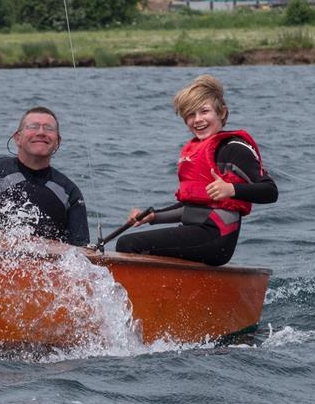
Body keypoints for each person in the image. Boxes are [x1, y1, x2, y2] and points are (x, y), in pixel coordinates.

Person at [116, 74, 278, 266]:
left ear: (222, 113)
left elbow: (270, 191)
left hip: (217, 236)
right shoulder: (194, 151)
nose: (197, 120)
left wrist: (232, 190)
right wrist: (153, 217)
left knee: (128, 244)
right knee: (130, 242)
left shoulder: (234, 148)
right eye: (191, 114)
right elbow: (190, 207)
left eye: (204, 111)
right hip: (195, 233)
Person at [0, 106, 90, 246]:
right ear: (17, 138)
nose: (41, 132)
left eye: (49, 128)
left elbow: (81, 251)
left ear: (57, 142)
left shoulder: (70, 192)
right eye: (33, 127)